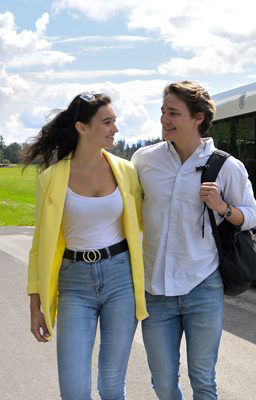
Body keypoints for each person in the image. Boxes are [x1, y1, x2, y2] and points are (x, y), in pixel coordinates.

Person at [131, 81, 256, 399]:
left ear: (197, 118)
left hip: (202, 287)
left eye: (173, 113)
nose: (164, 119)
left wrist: (223, 208)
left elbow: (252, 215)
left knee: (203, 380)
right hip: (155, 290)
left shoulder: (226, 166)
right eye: (163, 111)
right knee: (162, 382)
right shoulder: (144, 161)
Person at [24, 92, 148, 399]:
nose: (115, 129)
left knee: (111, 385)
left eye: (114, 122)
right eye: (107, 122)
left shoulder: (127, 172)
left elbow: (144, 225)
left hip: (120, 278)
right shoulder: (51, 178)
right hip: (74, 282)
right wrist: (35, 303)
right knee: (74, 389)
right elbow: (40, 244)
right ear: (82, 127)